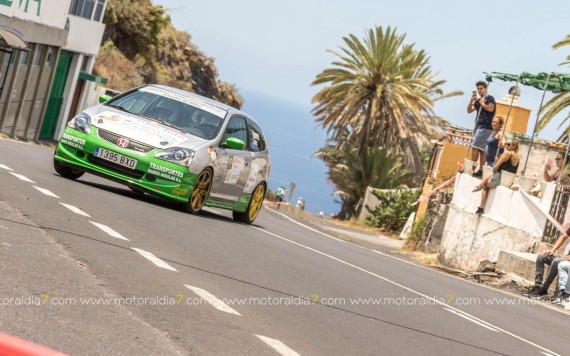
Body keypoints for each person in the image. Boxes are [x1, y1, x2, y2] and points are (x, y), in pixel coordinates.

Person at [472, 139, 520, 214]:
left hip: (498, 178)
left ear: (514, 146)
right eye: (506, 144)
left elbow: (496, 167)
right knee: (489, 176)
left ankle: (481, 208)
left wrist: (500, 150)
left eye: (508, 144)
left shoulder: (507, 153)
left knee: (486, 187)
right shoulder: (517, 156)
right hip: (507, 180)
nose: (506, 146)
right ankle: (479, 186)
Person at [523, 227, 570, 299]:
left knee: (556, 261)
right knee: (541, 256)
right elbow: (563, 237)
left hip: (567, 261)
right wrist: (552, 250)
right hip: (565, 258)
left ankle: (543, 290)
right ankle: (537, 286)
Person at [467, 81, 496, 177]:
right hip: (479, 126)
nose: (479, 91)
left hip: (485, 126)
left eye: (481, 89)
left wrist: (482, 104)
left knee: (475, 146)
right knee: (481, 149)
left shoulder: (489, 98)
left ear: (485, 88)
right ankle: (481, 170)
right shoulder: (479, 100)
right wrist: (471, 101)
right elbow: (469, 110)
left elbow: (491, 108)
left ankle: (472, 167)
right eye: (478, 89)